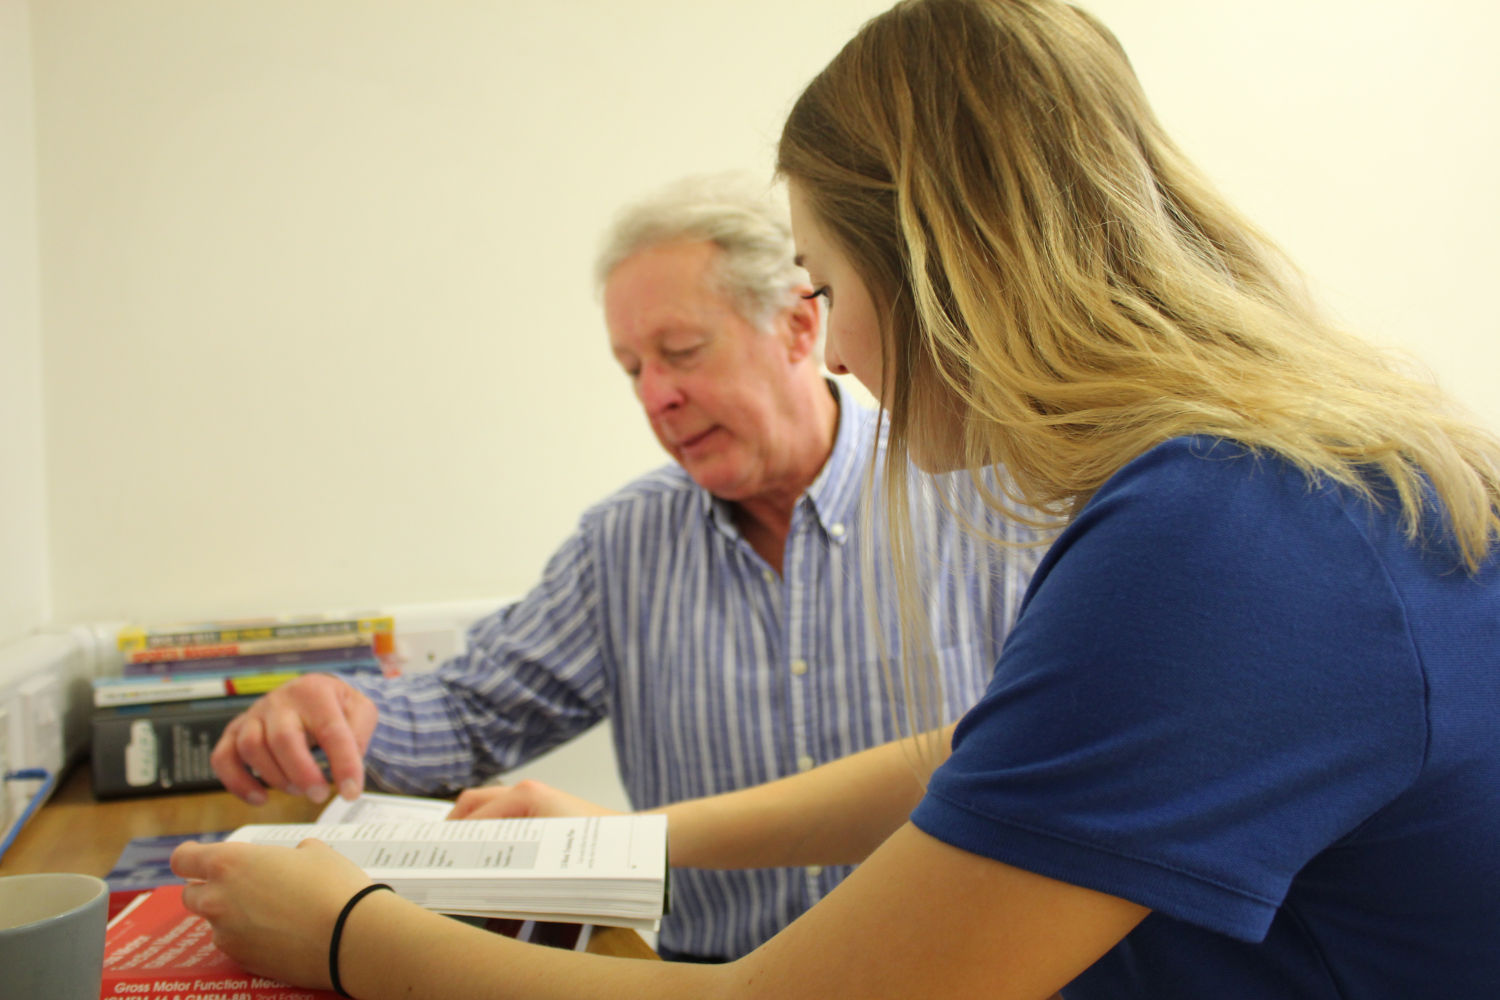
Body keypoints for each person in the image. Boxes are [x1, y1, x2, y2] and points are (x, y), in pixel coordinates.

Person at [175, 1, 1500, 997]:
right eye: (632, 368)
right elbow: (985, 760)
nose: (853, 350)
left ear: (938, 268)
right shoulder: (1286, 479)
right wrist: (640, 838)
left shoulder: (1211, 539)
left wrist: (348, 936)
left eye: (829, 281)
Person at [207, 171, 1041, 962]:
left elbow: (1041, 765)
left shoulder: (978, 499)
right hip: (699, 975)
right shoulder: (624, 543)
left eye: (681, 351)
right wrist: (342, 715)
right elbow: (468, 716)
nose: (654, 398)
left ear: (798, 324)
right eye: (633, 369)